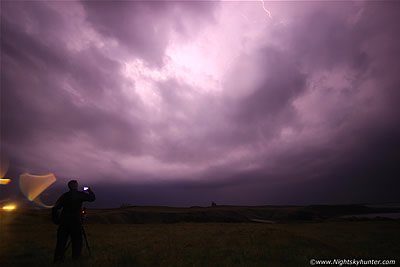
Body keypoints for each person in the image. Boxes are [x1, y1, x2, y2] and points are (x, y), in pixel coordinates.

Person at [52, 180, 95, 263]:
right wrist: (90, 191)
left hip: (64, 222)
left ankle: (58, 259)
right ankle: (76, 259)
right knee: (77, 241)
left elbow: (55, 208)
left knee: (61, 242)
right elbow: (92, 198)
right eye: (76, 185)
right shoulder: (80, 195)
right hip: (76, 222)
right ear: (75, 186)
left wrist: (57, 220)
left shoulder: (64, 196)